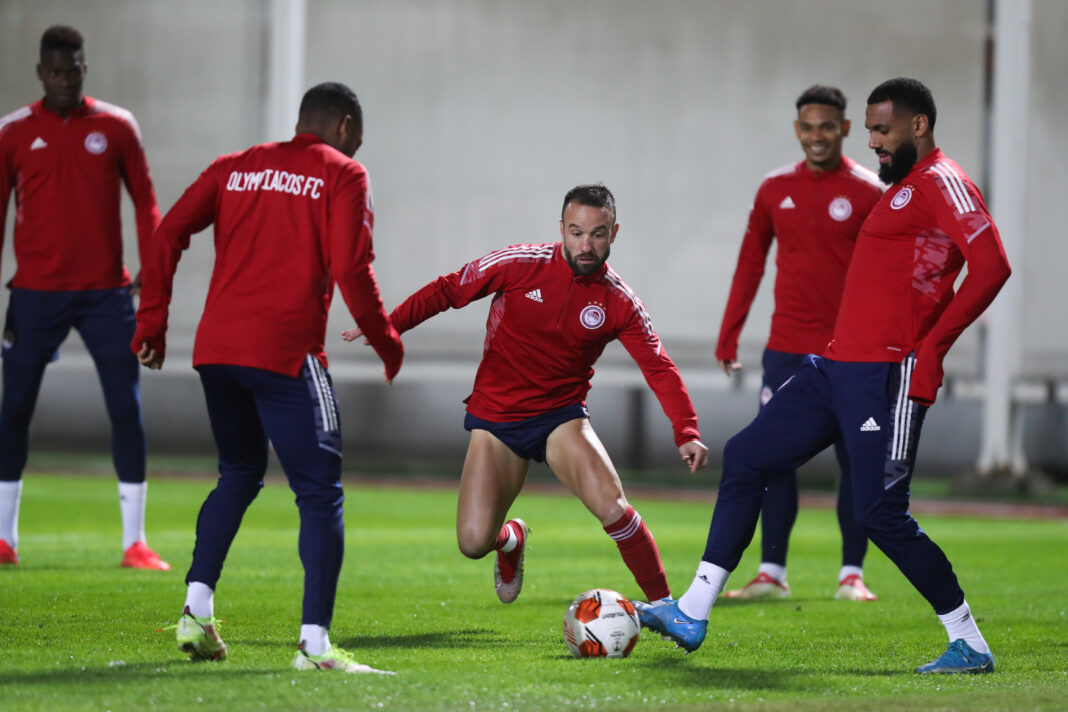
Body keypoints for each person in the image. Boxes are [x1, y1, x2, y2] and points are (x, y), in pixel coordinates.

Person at [637, 78, 1010, 675]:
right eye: (870, 131)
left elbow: (992, 266)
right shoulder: (903, 186)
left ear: (918, 126)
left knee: (880, 514)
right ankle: (691, 610)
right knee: (747, 456)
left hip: (885, 375)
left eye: (882, 130)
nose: (873, 142)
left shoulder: (944, 181)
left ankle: (969, 642)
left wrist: (934, 348)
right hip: (834, 368)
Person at [132, 82, 403, 674]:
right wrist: (386, 341)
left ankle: (196, 612)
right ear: (344, 127)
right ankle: (315, 646)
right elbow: (351, 266)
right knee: (320, 493)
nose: (357, 148)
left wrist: (152, 321)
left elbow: (167, 232)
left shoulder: (234, 167)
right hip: (285, 353)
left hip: (216, 352)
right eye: (357, 138)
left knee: (238, 474)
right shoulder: (343, 174)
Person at [344, 184, 709, 607]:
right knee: (472, 542)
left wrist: (686, 430)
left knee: (614, 509)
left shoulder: (619, 301)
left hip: (560, 417)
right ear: (561, 228)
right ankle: (510, 539)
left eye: (597, 234)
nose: (586, 245)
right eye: (576, 232)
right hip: (497, 418)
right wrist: (389, 326)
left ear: (613, 233)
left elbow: (658, 367)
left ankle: (667, 609)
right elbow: (449, 289)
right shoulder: (519, 264)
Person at [0, 26, 168, 570]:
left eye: (74, 70)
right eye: (56, 71)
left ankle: (136, 542)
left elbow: (146, 203)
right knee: (13, 411)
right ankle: (3, 539)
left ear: (84, 69)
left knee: (126, 410)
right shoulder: (13, 132)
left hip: (106, 295)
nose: (65, 80)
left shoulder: (117, 126)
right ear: (40, 73)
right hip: (35, 295)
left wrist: (153, 269)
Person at [715, 86, 884, 602]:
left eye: (827, 126)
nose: (817, 136)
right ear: (797, 130)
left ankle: (851, 574)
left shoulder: (869, 191)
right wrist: (729, 333)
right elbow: (750, 262)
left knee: (856, 460)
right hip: (786, 349)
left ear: (845, 129)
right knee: (772, 458)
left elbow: (889, 274)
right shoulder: (774, 189)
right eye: (808, 127)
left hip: (851, 352)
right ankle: (772, 573)